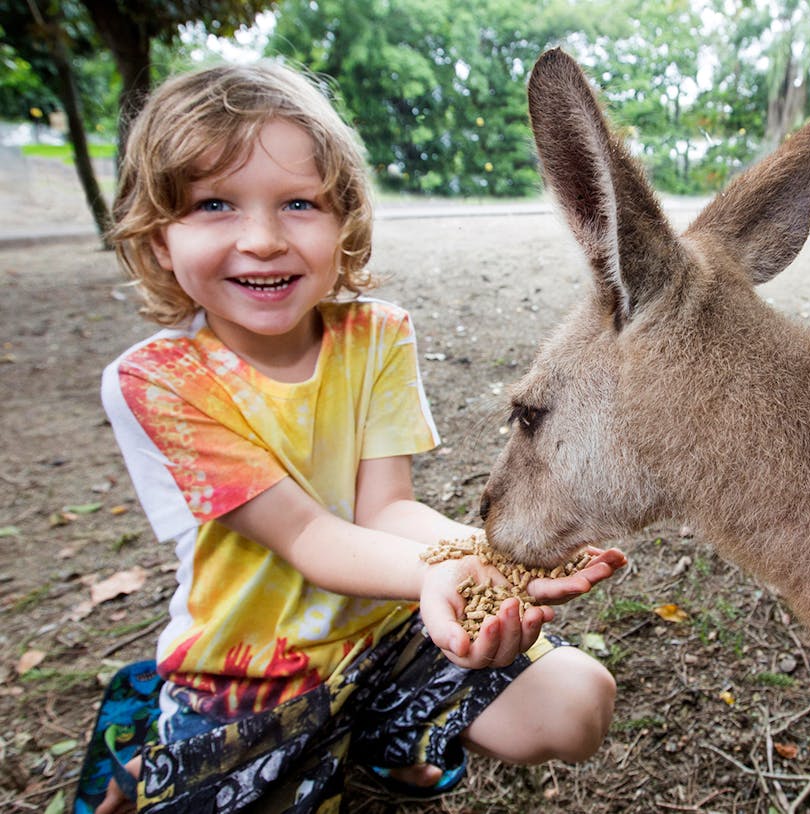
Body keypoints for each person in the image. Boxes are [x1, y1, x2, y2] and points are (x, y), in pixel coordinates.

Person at [93, 61, 623, 813]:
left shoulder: (375, 335)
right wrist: (445, 571)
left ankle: (377, 745)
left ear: (345, 223)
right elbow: (308, 536)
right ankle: (144, 754)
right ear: (157, 242)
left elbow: (385, 511)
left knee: (578, 701)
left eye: (299, 203)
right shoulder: (159, 380)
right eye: (214, 204)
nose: (264, 239)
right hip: (247, 679)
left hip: (381, 633)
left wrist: (492, 564)